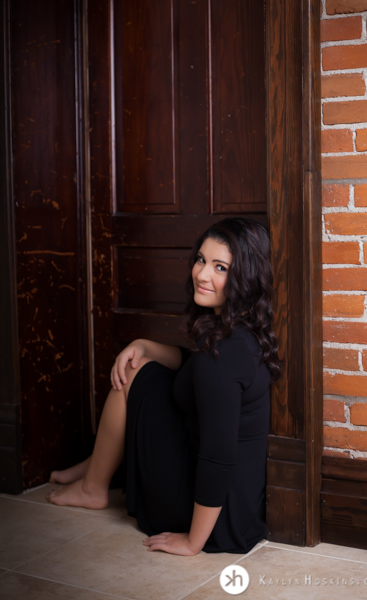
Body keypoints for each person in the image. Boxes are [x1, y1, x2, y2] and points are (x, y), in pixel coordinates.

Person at [47, 217, 282, 556]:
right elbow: (193, 370)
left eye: (220, 267)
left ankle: (94, 484)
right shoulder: (241, 335)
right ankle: (98, 464)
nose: (202, 274)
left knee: (135, 373)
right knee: (140, 364)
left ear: (246, 276)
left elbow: (218, 457)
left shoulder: (222, 357)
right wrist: (144, 344)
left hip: (212, 515)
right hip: (233, 501)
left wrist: (193, 541)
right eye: (201, 260)